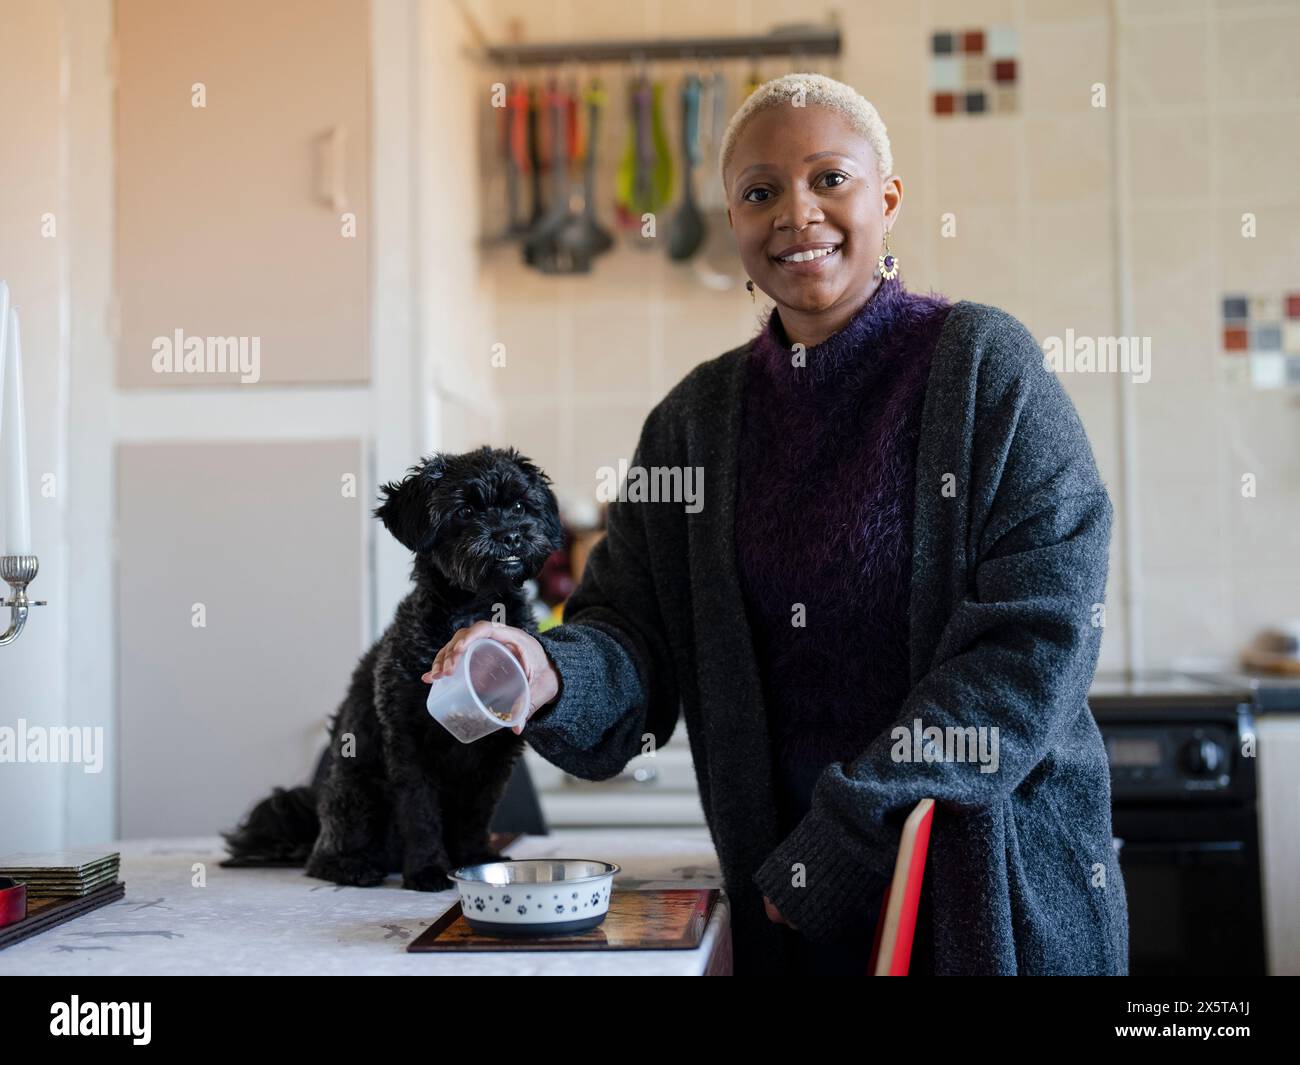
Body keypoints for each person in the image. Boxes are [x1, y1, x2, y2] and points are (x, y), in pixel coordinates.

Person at [424, 73, 1128, 976]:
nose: (798, 212)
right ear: (734, 222)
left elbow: (1032, 646)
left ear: (889, 198)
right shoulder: (693, 420)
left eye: (830, 178)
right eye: (760, 193)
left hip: (992, 902)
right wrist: (548, 668)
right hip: (786, 906)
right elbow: (631, 634)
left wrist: (845, 834)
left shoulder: (988, 369)